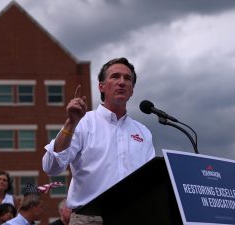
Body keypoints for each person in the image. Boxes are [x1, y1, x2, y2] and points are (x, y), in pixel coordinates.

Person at [42, 57, 155, 225]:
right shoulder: (83, 122)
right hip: (90, 219)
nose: (122, 82)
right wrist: (70, 123)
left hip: (133, 217)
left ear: (132, 90)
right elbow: (51, 167)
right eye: (115, 76)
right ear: (101, 86)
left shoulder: (143, 132)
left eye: (127, 78)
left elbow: (150, 181)